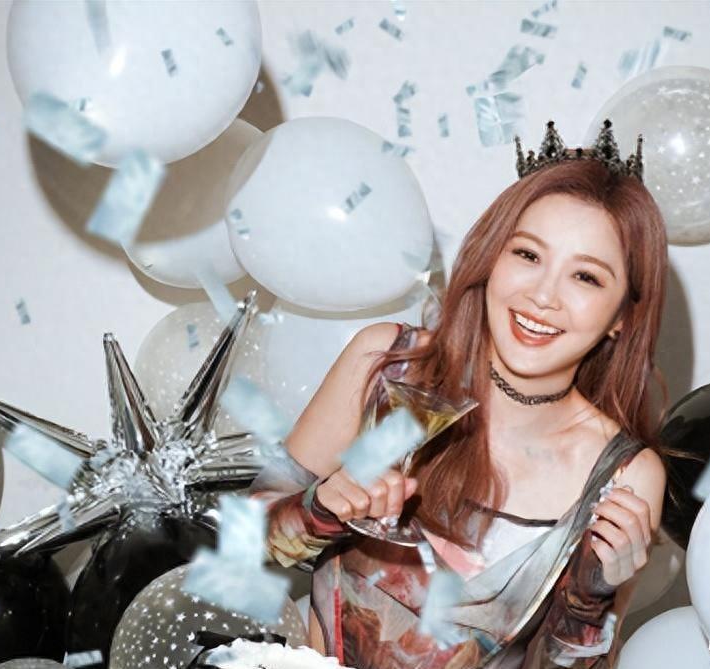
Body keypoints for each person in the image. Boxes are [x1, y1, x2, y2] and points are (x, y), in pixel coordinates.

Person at [250, 120, 677, 669]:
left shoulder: (623, 476)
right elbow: (244, 540)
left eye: (586, 277)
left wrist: (590, 600)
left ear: (622, 316)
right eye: (528, 255)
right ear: (493, 258)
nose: (543, 296)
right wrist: (323, 507)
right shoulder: (387, 366)